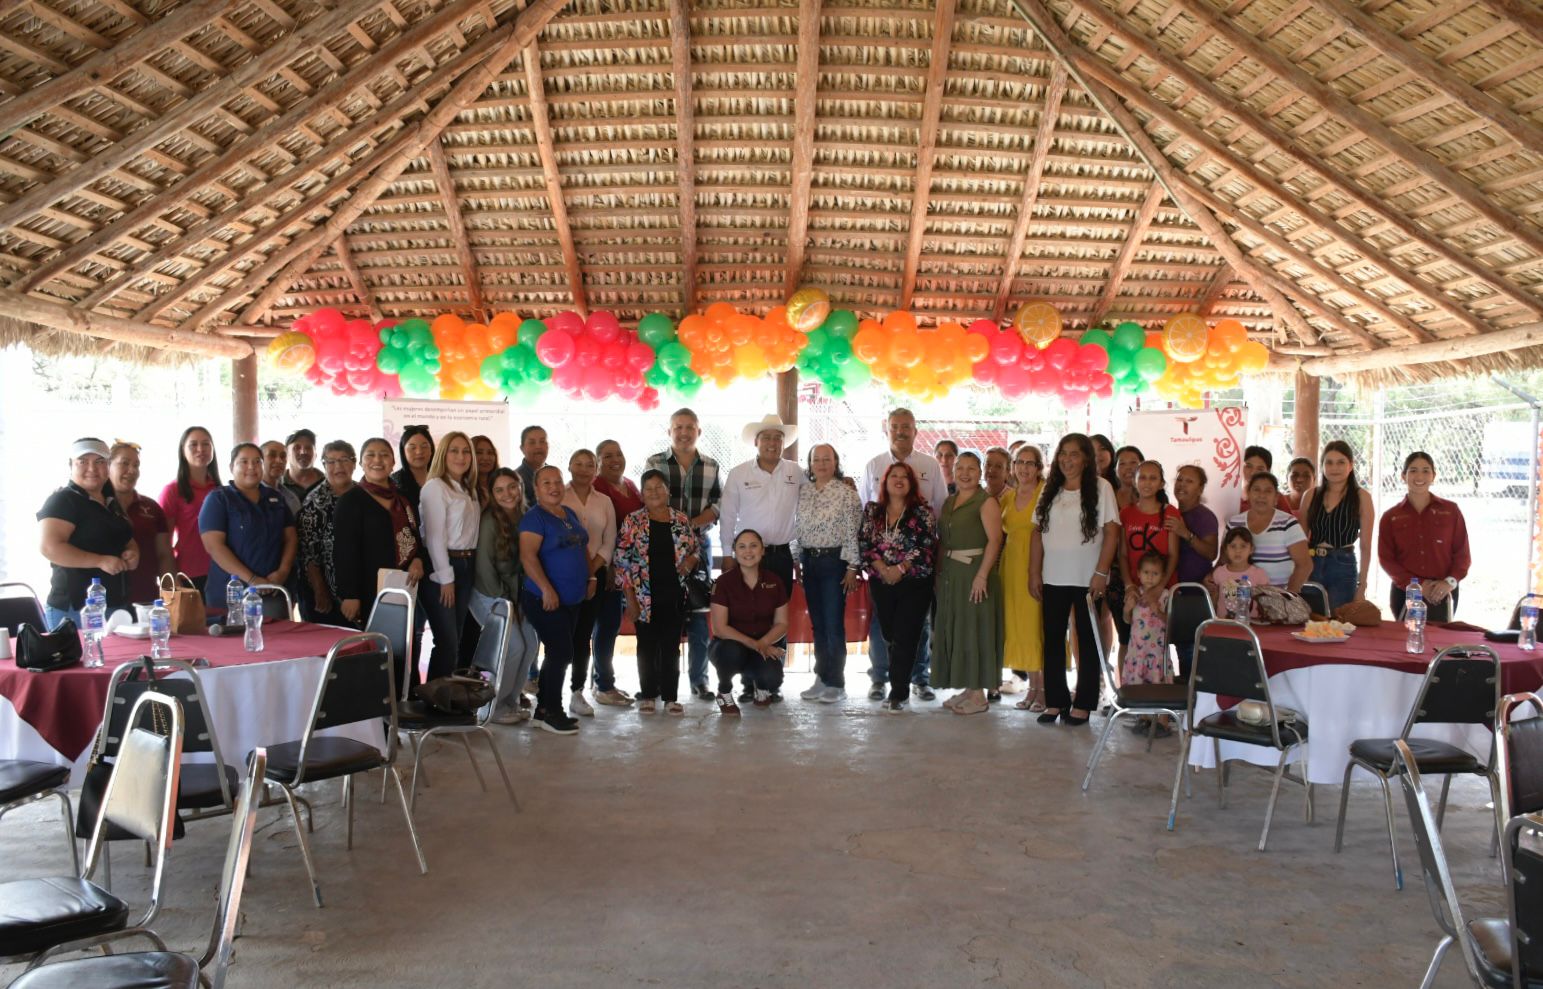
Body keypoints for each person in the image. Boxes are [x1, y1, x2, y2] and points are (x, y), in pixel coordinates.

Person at [1030, 433, 1119, 727]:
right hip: (1053, 577)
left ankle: (1084, 703)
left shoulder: (1102, 487)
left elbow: (1112, 532)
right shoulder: (1049, 489)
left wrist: (1101, 572)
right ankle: (1056, 701)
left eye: (1074, 454)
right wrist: (1034, 572)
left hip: (1088, 579)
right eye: (1063, 454)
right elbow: (1036, 533)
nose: (1067, 460)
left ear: (1086, 459)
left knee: (1087, 640)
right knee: (1053, 639)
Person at [859, 408, 946, 702]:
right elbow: (865, 521)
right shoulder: (873, 465)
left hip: (915, 574)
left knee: (916, 627)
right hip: (881, 575)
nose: (900, 431)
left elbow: (938, 514)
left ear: (915, 430)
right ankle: (880, 679)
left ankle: (917, 680)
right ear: (887, 429)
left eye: (906, 426)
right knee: (883, 628)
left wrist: (903, 567)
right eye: (895, 426)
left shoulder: (929, 466)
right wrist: (883, 568)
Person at [720, 414, 804, 700]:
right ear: (756, 442)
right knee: (746, 617)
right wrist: (727, 554)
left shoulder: (796, 473)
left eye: (777, 438)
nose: (772, 443)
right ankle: (748, 683)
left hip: (780, 556)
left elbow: (812, 501)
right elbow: (727, 516)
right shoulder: (739, 473)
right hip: (747, 557)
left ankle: (769, 683)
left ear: (784, 443)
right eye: (766, 437)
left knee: (777, 619)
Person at [334, 438, 427, 686]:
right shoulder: (351, 500)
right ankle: (378, 707)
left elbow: (415, 536)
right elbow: (344, 551)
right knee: (374, 653)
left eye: (384, 454)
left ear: (393, 461)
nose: (378, 460)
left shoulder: (402, 499)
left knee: (404, 649)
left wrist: (418, 558)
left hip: (403, 587)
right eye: (371, 455)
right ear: (361, 463)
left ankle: (404, 699)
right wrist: (349, 595)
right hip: (367, 592)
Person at [645, 408, 722, 700]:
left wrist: (690, 525)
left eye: (690, 427)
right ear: (669, 431)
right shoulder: (654, 463)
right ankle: (658, 682)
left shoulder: (712, 465)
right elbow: (648, 500)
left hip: (699, 547)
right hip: (661, 547)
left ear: (699, 432)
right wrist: (676, 528)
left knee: (700, 614)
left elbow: (719, 505)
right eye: (678, 427)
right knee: (662, 613)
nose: (684, 432)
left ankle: (700, 681)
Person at [616, 469, 699, 714]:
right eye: (648, 489)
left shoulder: (681, 519)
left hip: (674, 594)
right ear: (642, 494)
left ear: (668, 491)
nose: (654, 492)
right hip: (642, 596)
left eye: (658, 487)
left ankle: (671, 697)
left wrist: (692, 559)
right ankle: (649, 695)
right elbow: (621, 562)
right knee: (646, 646)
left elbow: (696, 548)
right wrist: (630, 599)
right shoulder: (633, 521)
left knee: (671, 646)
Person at [519, 465, 592, 734]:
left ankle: (542, 711)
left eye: (558, 481)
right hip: (544, 598)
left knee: (558, 653)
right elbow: (528, 556)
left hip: (572, 599)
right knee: (561, 652)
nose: (554, 487)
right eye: (546, 483)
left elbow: (582, 547)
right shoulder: (534, 519)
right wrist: (546, 589)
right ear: (536, 489)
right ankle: (552, 711)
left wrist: (590, 578)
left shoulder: (568, 513)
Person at [933, 452, 1004, 717]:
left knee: (976, 629)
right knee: (959, 629)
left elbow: (995, 540)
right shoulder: (949, 502)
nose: (965, 473)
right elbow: (943, 541)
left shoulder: (986, 502)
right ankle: (968, 686)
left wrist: (982, 575)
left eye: (971, 468)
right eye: (960, 468)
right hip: (952, 575)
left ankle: (979, 694)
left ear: (980, 472)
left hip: (975, 573)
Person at [38, 438, 138, 625]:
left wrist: (132, 552)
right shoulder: (63, 500)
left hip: (114, 604)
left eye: (99, 461)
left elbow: (125, 538)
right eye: (83, 461)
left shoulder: (110, 501)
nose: (92, 468)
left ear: (108, 466)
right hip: (76, 608)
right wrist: (100, 561)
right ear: (71, 465)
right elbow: (49, 548)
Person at [472, 467, 540, 724]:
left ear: (520, 487)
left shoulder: (527, 516)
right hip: (489, 593)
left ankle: (511, 701)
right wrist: (509, 604)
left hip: (517, 595)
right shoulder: (489, 520)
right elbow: (485, 570)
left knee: (531, 645)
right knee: (513, 646)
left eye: (512, 487)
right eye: (499, 490)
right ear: (492, 493)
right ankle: (492, 707)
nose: (507, 494)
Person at [795, 443, 862, 703]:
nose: (821, 464)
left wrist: (853, 567)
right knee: (819, 625)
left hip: (835, 563)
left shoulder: (846, 494)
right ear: (810, 464)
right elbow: (797, 527)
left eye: (827, 459)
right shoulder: (804, 492)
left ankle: (836, 682)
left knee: (833, 625)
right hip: (809, 561)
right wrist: (796, 559)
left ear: (835, 462)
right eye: (816, 459)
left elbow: (852, 532)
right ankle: (821, 677)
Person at [198, 443, 297, 614]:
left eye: (257, 462)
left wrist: (282, 572)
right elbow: (214, 547)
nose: (251, 467)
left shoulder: (276, 499)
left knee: (277, 632)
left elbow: (291, 538)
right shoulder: (219, 499)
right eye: (244, 462)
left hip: (272, 590)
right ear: (231, 467)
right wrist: (252, 579)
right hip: (231, 594)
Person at [1378, 451, 1470, 622]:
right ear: (1403, 476)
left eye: (1426, 471)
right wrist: (1418, 585)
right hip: (1406, 592)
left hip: (1442, 593)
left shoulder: (1451, 511)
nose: (1419, 476)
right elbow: (1386, 559)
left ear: (1433, 476)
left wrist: (1449, 582)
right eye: (1413, 470)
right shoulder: (1390, 516)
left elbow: (1462, 555)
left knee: (1440, 638)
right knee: (1406, 636)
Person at [418, 431, 480, 681]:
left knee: (456, 637)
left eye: (466, 451)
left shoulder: (468, 487)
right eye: (454, 450)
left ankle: (447, 694)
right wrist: (446, 578)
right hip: (444, 566)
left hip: (467, 564)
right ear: (443, 454)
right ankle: (435, 697)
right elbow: (435, 537)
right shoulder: (435, 487)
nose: (460, 456)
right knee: (447, 640)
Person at [561, 449, 618, 717]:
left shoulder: (604, 501)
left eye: (589, 465)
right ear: (569, 466)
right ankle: (549, 691)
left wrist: (591, 570)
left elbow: (610, 540)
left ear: (596, 470)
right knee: (561, 635)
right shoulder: (559, 495)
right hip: (562, 576)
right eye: (578, 464)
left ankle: (577, 691)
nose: (583, 469)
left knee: (583, 635)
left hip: (595, 575)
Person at [708, 529, 790, 714]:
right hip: (728, 646)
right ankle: (724, 691)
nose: (748, 551)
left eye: (754, 546)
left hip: (762, 644)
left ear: (763, 550)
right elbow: (719, 628)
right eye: (742, 547)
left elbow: (782, 624)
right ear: (735, 551)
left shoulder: (775, 581)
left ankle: (761, 687)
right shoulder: (723, 582)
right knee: (732, 651)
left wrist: (763, 643)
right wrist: (759, 646)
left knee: (773, 678)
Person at [591, 439, 642, 706]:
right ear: (598, 461)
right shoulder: (597, 486)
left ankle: (601, 681)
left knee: (609, 624)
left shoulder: (630, 484)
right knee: (608, 623)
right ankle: (604, 685)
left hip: (631, 566)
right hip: (609, 567)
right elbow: (601, 530)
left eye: (618, 454)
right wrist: (610, 566)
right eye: (607, 455)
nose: (615, 460)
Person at [1299, 440, 1375, 610]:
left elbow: (1365, 546)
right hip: (1311, 563)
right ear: (1322, 466)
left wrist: (1362, 585)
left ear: (1351, 465)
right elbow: (1300, 541)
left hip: (1343, 565)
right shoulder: (1310, 495)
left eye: (1341, 462)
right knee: (1309, 619)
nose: (1334, 468)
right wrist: (1299, 573)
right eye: (1329, 462)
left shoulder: (1362, 497)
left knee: (1339, 620)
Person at [1000, 444, 1045, 710]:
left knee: (1036, 628)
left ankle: (1044, 690)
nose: (1024, 468)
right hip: (1011, 569)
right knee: (1020, 628)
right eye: (1020, 462)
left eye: (1030, 463)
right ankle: (1032, 688)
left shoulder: (1046, 494)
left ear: (1039, 468)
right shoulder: (1008, 496)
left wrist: (1036, 571)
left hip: (1037, 567)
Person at [297, 440, 355, 624]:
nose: (338, 466)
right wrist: (320, 591)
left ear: (354, 463)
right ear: (323, 465)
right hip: (326, 592)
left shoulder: (363, 494)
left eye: (344, 460)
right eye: (331, 461)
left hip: (358, 588)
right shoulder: (314, 502)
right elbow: (308, 553)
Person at [108, 441, 172, 606]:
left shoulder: (151, 507)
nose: (132, 470)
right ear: (107, 466)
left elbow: (164, 555)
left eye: (136, 465)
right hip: (104, 600)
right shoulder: (95, 506)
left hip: (146, 599)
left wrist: (172, 597)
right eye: (124, 463)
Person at [159, 425, 221, 591]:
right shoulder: (172, 490)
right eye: (193, 444)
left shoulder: (220, 490)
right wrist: (171, 579)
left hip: (222, 572)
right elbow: (164, 544)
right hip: (188, 575)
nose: (200, 449)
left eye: (206, 444)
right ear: (183, 451)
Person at [1229, 472, 1311, 591]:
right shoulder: (1234, 523)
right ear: (1248, 493)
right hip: (1241, 595)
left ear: (1276, 497)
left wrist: (1288, 597)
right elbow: (1225, 561)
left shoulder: (1287, 523)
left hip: (1279, 595)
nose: (1261, 495)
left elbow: (1305, 565)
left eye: (1268, 491)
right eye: (1256, 489)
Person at [1122, 550, 1174, 736]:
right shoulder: (1135, 593)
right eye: (1146, 572)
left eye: (1155, 573)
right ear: (1138, 573)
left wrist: (1158, 611)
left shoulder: (1165, 595)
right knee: (1141, 685)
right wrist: (1127, 609)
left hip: (1158, 652)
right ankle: (1144, 717)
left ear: (1162, 575)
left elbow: (1171, 623)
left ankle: (1162, 721)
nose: (1150, 577)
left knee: (1159, 685)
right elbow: (1127, 620)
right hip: (1138, 651)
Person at [1120, 461, 1181, 590]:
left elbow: (1173, 554)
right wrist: (1129, 585)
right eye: (1142, 477)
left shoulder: (1170, 512)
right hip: (1135, 589)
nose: (1147, 482)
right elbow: (1123, 554)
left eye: (1153, 478)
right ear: (1134, 482)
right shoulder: (1125, 514)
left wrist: (1160, 587)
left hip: (1164, 590)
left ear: (1161, 484)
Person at [1167, 464, 1220, 587]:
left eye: (1189, 481)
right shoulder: (1170, 513)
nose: (1182, 484)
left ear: (1200, 489)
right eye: (1179, 480)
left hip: (1196, 588)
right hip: (1170, 587)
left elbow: (1211, 554)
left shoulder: (1206, 517)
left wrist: (1186, 534)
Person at [1209, 527, 1271, 618]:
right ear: (1225, 549)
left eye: (1243, 546)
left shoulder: (1259, 574)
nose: (1238, 551)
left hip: (1251, 624)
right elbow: (1213, 599)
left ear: (1251, 549)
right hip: (1224, 623)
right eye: (1233, 546)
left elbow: (1266, 602)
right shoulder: (1219, 573)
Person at [391, 425, 434, 517]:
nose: (419, 452)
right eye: (412, 447)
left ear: (431, 450)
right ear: (403, 452)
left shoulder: (441, 478)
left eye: (424, 446)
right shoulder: (394, 482)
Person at [1240, 446, 1296, 514]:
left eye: (1260, 469)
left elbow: (1289, 519)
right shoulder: (1231, 495)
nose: (1253, 472)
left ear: (1268, 471)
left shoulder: (1276, 498)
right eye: (1248, 466)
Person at [261, 441, 303, 518]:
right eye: (272, 455)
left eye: (283, 456)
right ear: (260, 460)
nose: (279, 461)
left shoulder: (291, 498)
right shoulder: (250, 495)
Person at [283, 429, 324, 502]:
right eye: (297, 448)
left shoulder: (329, 484)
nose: (303, 452)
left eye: (308, 448)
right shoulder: (276, 486)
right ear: (286, 455)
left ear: (315, 455)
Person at [515, 425, 549, 508]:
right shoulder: (515, 478)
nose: (538, 446)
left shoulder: (554, 474)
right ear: (522, 448)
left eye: (542, 441)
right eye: (532, 442)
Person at [1112, 445, 1143, 510]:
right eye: (1122, 463)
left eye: (1133, 462)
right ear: (1115, 470)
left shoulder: (1152, 496)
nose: (1128, 467)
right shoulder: (1109, 495)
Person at [472, 435, 500, 502]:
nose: (486, 458)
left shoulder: (501, 482)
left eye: (490, 453)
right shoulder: (463, 488)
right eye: (479, 452)